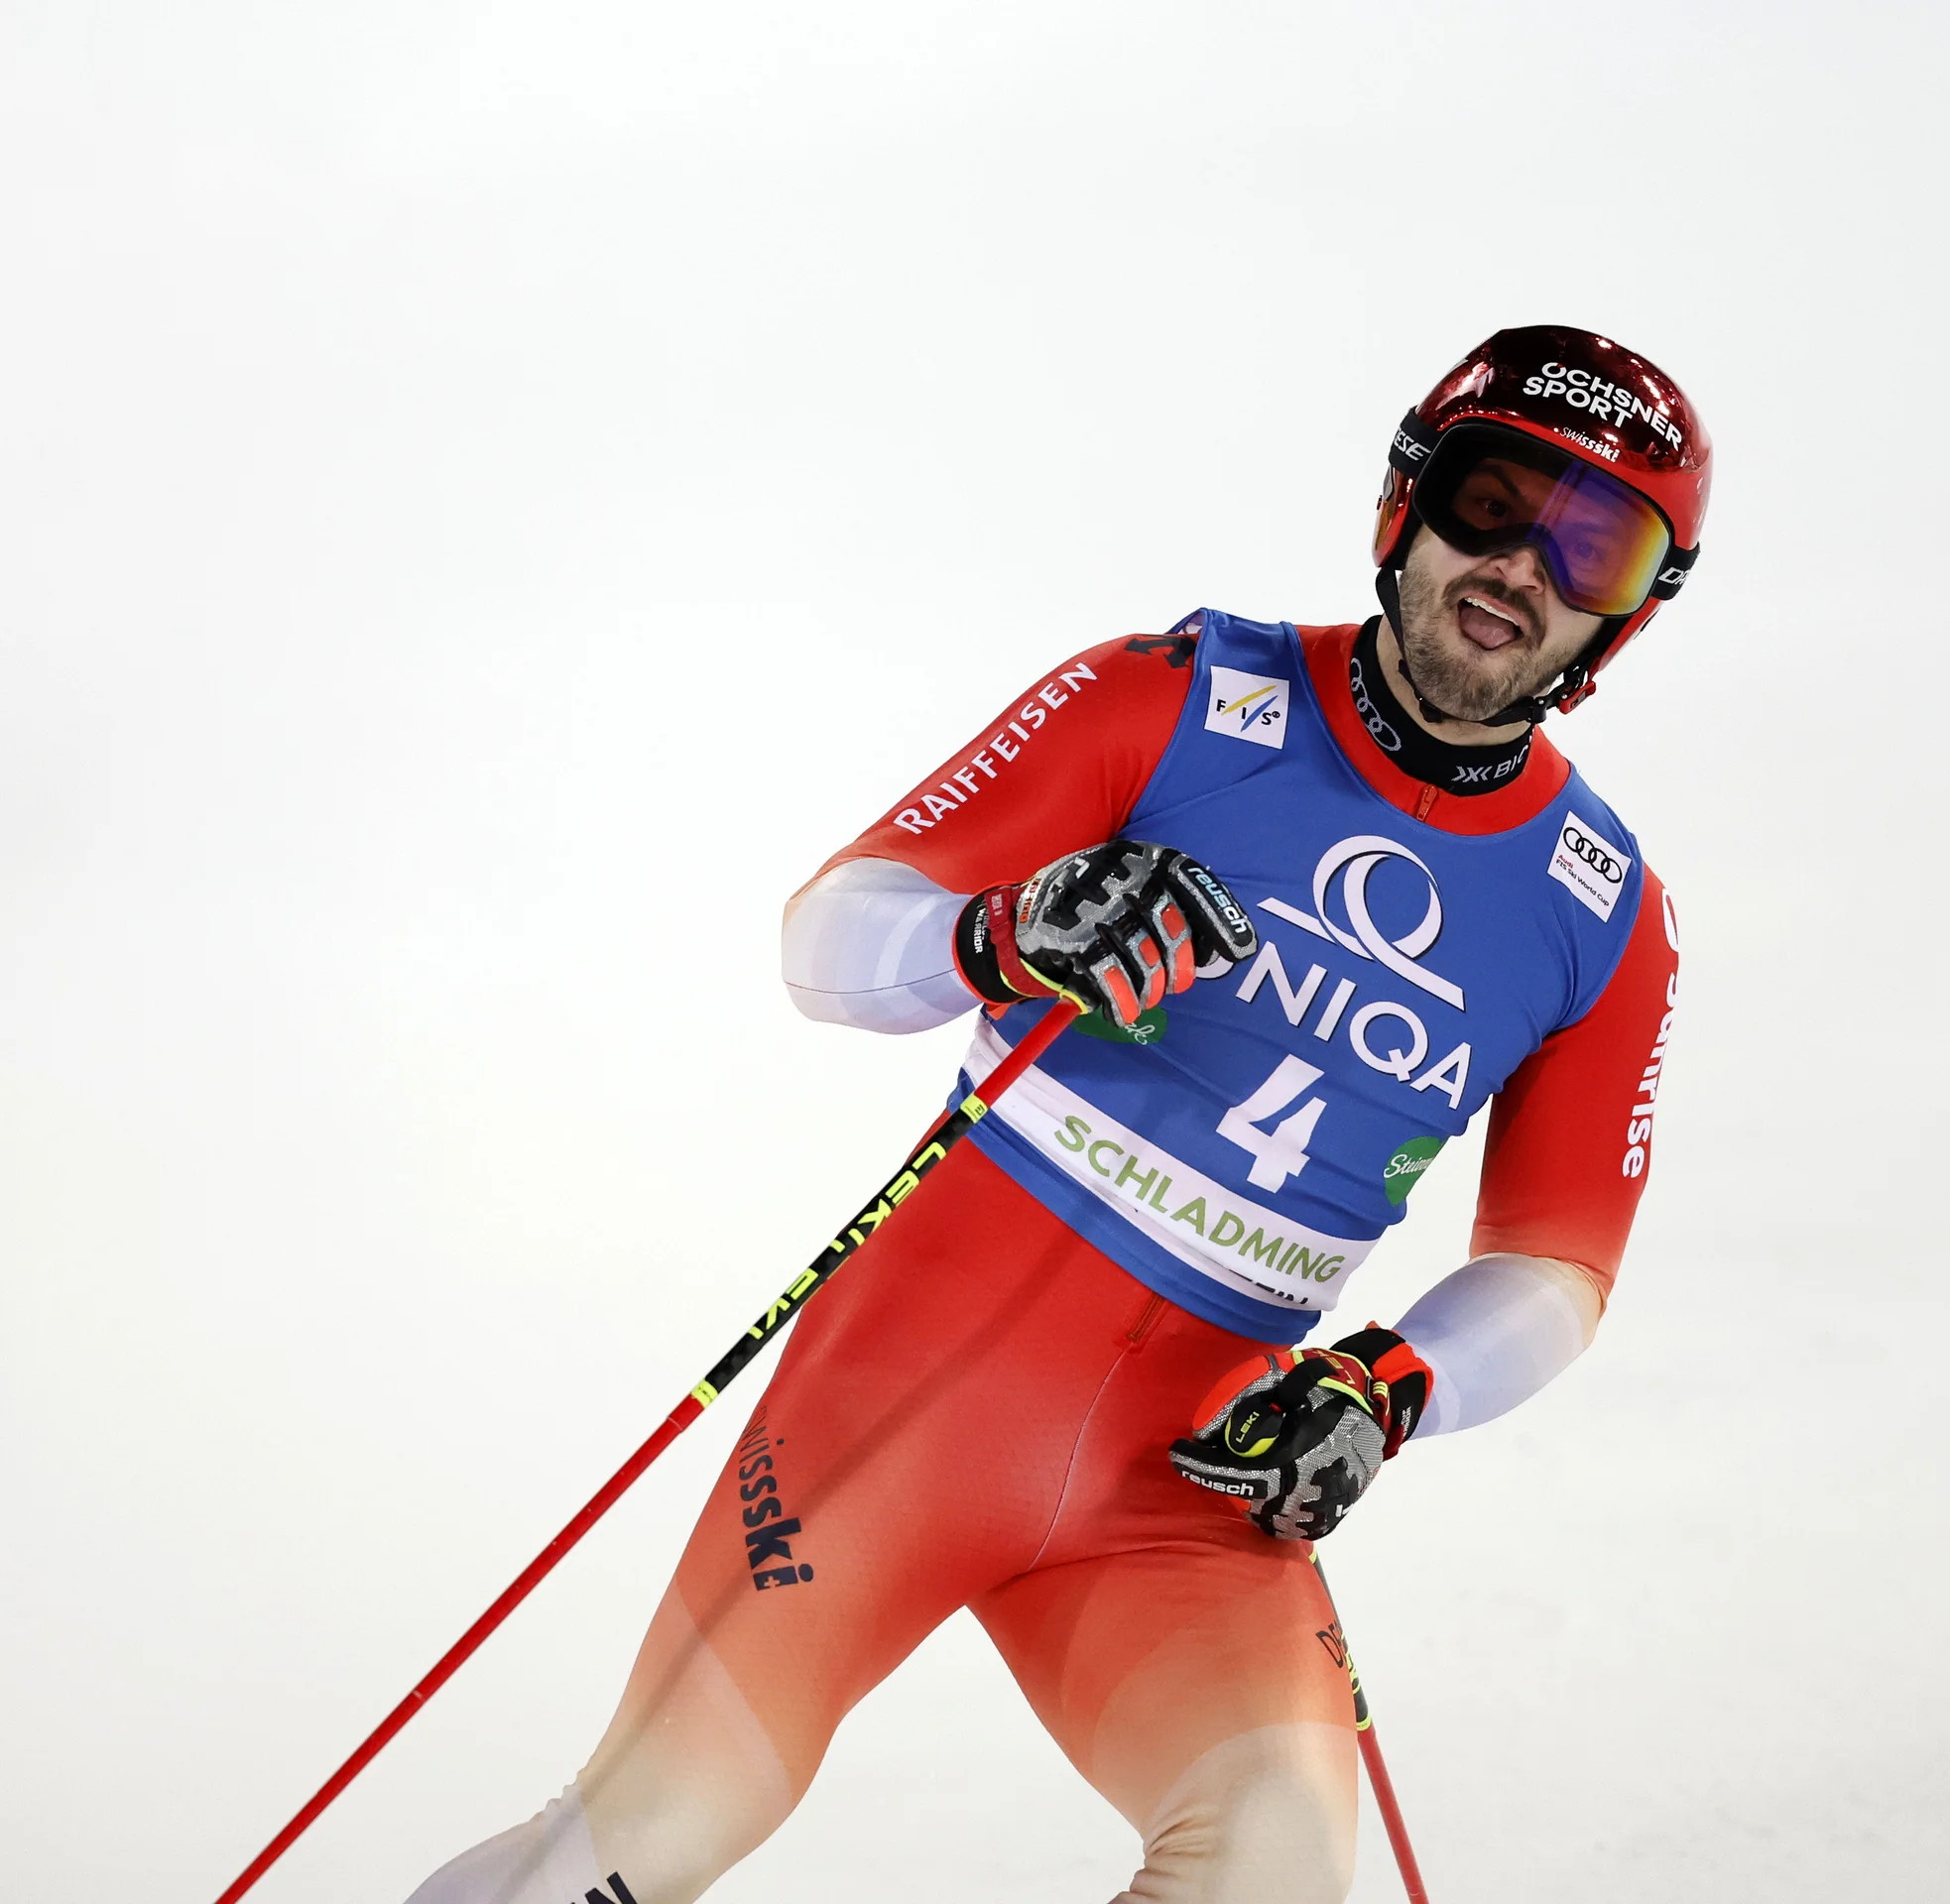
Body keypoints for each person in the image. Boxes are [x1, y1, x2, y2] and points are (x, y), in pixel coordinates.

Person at [409, 324, 1709, 1904]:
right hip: (912, 1402)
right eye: (1495, 497)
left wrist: (1388, 1387)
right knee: (641, 1843)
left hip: (1188, 1481)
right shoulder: (1178, 696)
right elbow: (831, 939)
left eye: (1599, 542)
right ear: (1406, 499)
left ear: (1631, 610)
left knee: (1277, 1872)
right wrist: (1005, 930)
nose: (1523, 564)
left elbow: (1559, 1267)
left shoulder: (1604, 915)